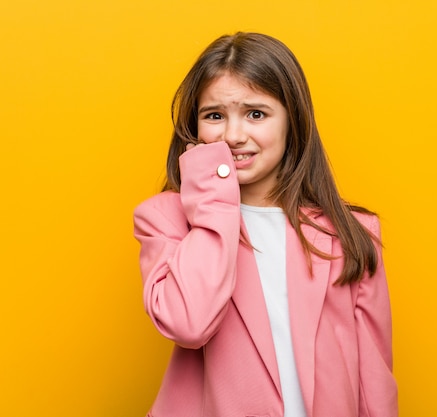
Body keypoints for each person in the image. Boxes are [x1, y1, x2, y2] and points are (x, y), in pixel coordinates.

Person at [133, 32, 397, 417]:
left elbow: (374, 380)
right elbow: (189, 323)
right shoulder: (165, 220)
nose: (234, 136)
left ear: (293, 121)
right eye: (214, 116)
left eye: (256, 114)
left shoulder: (350, 233)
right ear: (194, 126)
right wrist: (210, 194)